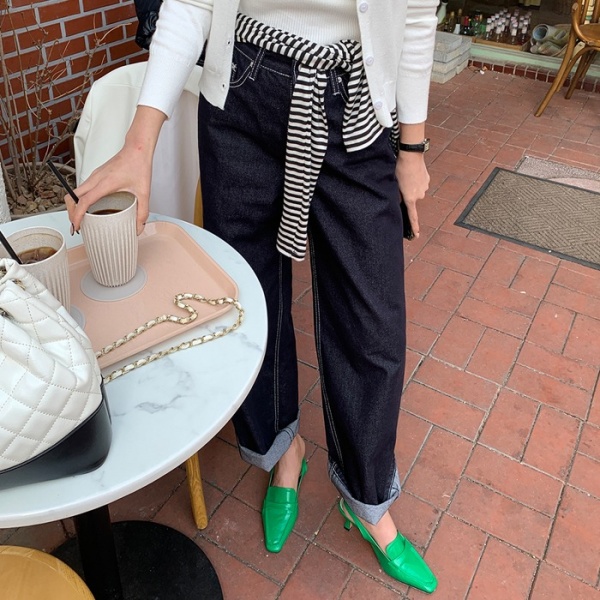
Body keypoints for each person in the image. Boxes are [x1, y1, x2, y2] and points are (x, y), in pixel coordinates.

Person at [68, 0, 438, 593]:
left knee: (374, 324)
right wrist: (139, 144)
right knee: (253, 300)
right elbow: (190, 3)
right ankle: (282, 454)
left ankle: (368, 500)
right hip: (242, 92)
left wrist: (412, 149)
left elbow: (416, 14)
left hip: (358, 104)